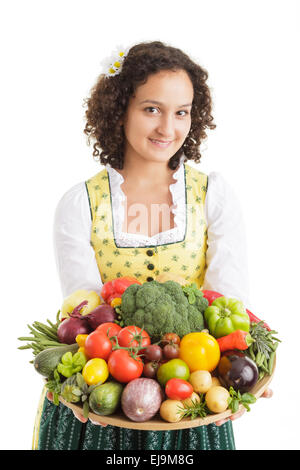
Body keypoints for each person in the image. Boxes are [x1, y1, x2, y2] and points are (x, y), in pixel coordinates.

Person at [33, 41, 272, 451]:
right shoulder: (81, 205)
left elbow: (228, 305)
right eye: (151, 109)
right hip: (100, 410)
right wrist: (78, 384)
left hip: (189, 405)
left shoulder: (212, 196)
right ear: (119, 108)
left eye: (181, 112)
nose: (167, 128)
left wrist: (245, 371)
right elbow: (82, 311)